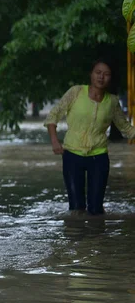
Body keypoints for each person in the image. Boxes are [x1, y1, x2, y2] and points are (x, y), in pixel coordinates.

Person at [44, 59, 135, 215]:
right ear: (91, 74)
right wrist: (54, 141)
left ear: (110, 78)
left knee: (95, 209)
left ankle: (96, 237)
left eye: (106, 74)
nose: (101, 77)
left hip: (99, 157)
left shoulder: (112, 102)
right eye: (98, 73)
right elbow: (53, 116)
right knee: (76, 207)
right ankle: (77, 238)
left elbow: (125, 128)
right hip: (72, 155)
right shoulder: (76, 92)